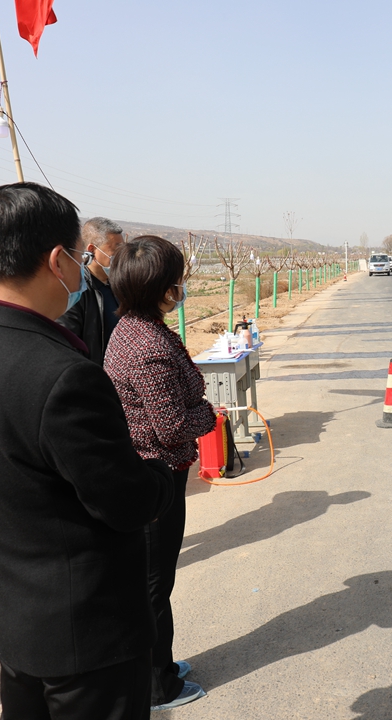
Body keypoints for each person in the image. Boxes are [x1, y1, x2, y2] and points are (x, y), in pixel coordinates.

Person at [0, 183, 175, 720]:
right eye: (79, 256)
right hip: (88, 636)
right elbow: (126, 501)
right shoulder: (63, 375)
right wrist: (159, 471)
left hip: (14, 621)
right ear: (58, 260)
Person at [104, 236, 216, 711]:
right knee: (153, 585)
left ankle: (161, 663)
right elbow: (170, 428)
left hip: (154, 470)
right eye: (178, 279)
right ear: (164, 289)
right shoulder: (147, 347)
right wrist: (208, 415)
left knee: (154, 581)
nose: (182, 287)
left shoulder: (135, 328)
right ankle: (155, 685)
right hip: (154, 476)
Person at [57, 216, 125, 365]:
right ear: (92, 250)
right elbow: (68, 345)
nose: (120, 257)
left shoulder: (119, 286)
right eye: (115, 250)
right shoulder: (76, 291)